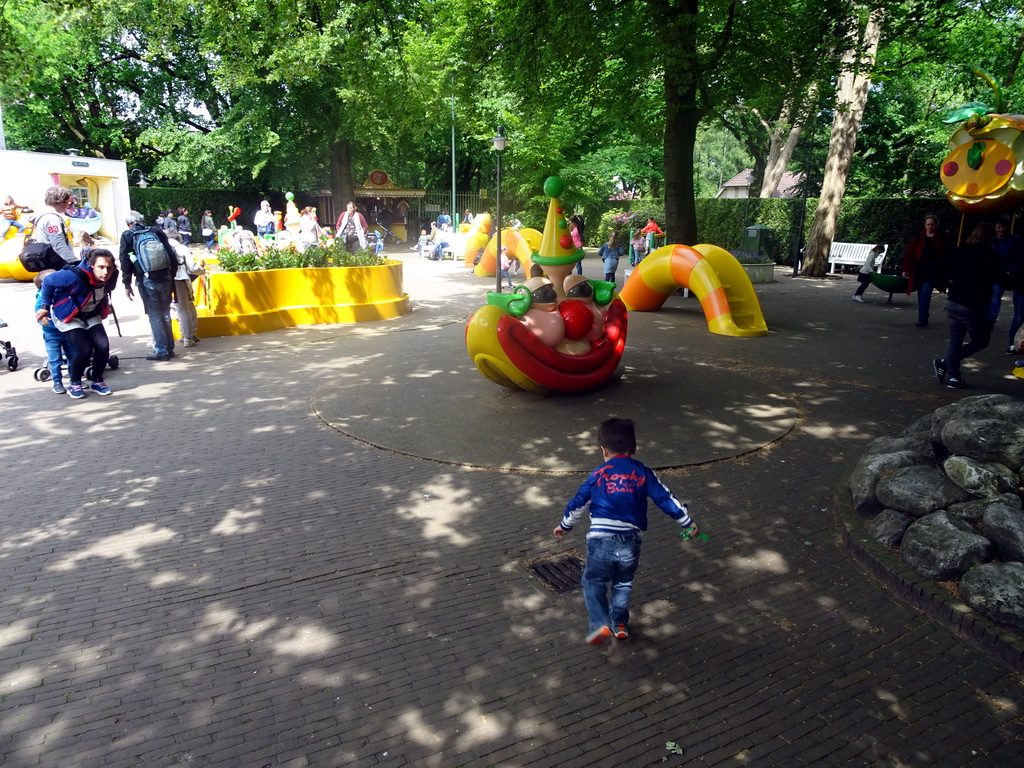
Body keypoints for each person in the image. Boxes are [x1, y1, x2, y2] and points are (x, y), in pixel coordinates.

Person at [553, 417, 698, 645]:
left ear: (603, 450)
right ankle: (620, 623)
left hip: (601, 540)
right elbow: (664, 498)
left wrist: (565, 526)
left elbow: (578, 502)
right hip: (630, 541)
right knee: (622, 583)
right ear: (634, 449)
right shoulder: (642, 471)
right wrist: (686, 522)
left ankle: (600, 624)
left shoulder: (599, 473)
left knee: (594, 582)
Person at [35, 249, 119, 399]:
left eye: (109, 267)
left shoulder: (113, 275)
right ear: (91, 265)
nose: (105, 272)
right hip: (68, 314)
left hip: (90, 313)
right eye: (101, 267)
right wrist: (44, 308)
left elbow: (104, 292)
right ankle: (74, 384)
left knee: (103, 346)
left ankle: (97, 381)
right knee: (84, 349)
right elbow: (48, 281)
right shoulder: (74, 275)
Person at [932, 222, 1002, 389]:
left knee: (955, 338)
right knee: (982, 340)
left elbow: (936, 268)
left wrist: (945, 282)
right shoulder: (990, 255)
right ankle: (947, 364)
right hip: (974, 304)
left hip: (954, 300)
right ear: (990, 238)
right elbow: (1000, 279)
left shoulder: (959, 251)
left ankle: (954, 377)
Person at [118, 211, 179, 362]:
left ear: (128, 223)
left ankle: (161, 350)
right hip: (165, 277)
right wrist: (172, 274)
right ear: (142, 220)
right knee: (165, 313)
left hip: (145, 280)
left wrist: (127, 283)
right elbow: (171, 253)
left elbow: (125, 261)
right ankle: (170, 348)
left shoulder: (128, 235)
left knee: (154, 315)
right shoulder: (156, 231)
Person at [902, 213, 951, 327]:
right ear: (925, 224)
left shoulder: (942, 237)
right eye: (928, 224)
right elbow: (910, 252)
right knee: (921, 294)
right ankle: (923, 316)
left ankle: (922, 318)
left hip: (933, 271)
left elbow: (948, 253)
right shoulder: (919, 236)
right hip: (920, 270)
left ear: (936, 225)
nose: (930, 226)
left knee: (925, 293)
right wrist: (905, 268)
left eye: (932, 224)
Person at [33, 269, 75, 394]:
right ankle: (57, 382)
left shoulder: (63, 293)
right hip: (51, 333)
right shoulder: (41, 297)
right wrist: (42, 318)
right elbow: (38, 311)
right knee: (55, 359)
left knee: (72, 356)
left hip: (67, 330)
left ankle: (74, 380)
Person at [990, 218, 1024, 351]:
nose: (1001, 230)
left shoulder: (1015, 240)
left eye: (1003, 227)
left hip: (1013, 276)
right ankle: (990, 321)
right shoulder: (993, 241)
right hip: (999, 274)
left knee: (1019, 313)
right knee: (995, 297)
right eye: (998, 227)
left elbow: (1018, 258)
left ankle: (1013, 342)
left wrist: (1011, 271)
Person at [166, 230, 203, 347]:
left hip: (163, 279)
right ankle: (188, 338)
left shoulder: (161, 246)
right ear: (178, 237)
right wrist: (201, 268)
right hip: (180, 278)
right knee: (184, 308)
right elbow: (192, 268)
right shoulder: (181, 248)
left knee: (161, 311)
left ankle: (159, 339)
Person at [30, 186, 77, 266]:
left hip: (46, 262)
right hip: (55, 264)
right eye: (68, 202)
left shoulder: (42, 216)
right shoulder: (52, 219)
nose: (68, 206)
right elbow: (58, 244)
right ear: (62, 202)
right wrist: (75, 262)